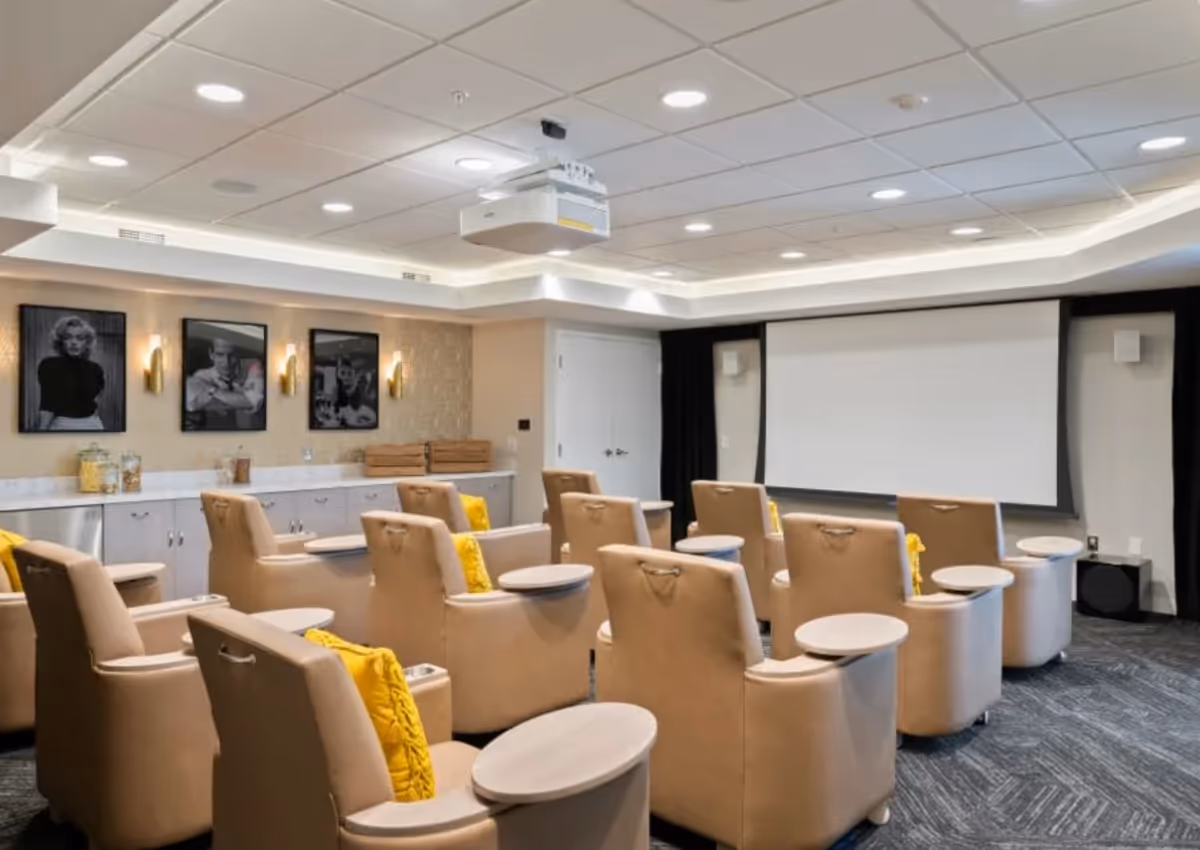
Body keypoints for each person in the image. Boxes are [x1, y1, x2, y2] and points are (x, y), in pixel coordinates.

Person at [35, 315, 106, 431]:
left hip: (93, 424)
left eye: (79, 338)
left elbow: (95, 402)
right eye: (68, 337)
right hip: (62, 424)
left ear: (87, 342)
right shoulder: (49, 365)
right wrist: (38, 437)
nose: (74, 342)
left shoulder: (96, 368)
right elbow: (47, 405)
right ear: (60, 341)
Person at [185, 336, 265, 430]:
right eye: (220, 354)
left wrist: (212, 390)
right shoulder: (202, 376)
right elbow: (192, 404)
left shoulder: (253, 366)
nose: (226, 362)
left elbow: (252, 402)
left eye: (232, 355)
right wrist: (241, 399)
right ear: (211, 354)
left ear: (238, 353)